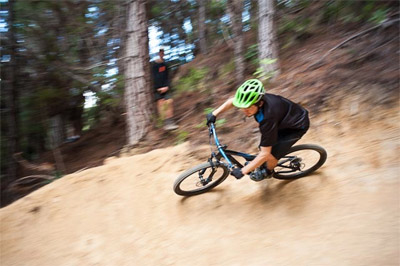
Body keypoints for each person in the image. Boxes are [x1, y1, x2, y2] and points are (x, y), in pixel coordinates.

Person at [206, 79, 309, 181]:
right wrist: (214, 114)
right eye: (242, 107)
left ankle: (268, 172)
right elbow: (232, 101)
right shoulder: (254, 100)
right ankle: (263, 163)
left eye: (248, 107)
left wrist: (242, 171)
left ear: (260, 103)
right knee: (265, 147)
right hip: (283, 120)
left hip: (296, 126)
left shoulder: (268, 118)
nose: (245, 110)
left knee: (270, 154)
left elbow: (265, 154)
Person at [152, 48, 179, 131]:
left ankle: (170, 122)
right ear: (158, 53)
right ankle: (164, 123)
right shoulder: (153, 65)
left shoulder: (165, 64)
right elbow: (152, 78)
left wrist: (167, 86)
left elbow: (168, 77)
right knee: (161, 103)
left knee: (169, 102)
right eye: (160, 52)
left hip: (165, 88)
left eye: (163, 53)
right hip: (157, 89)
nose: (162, 54)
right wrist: (157, 88)